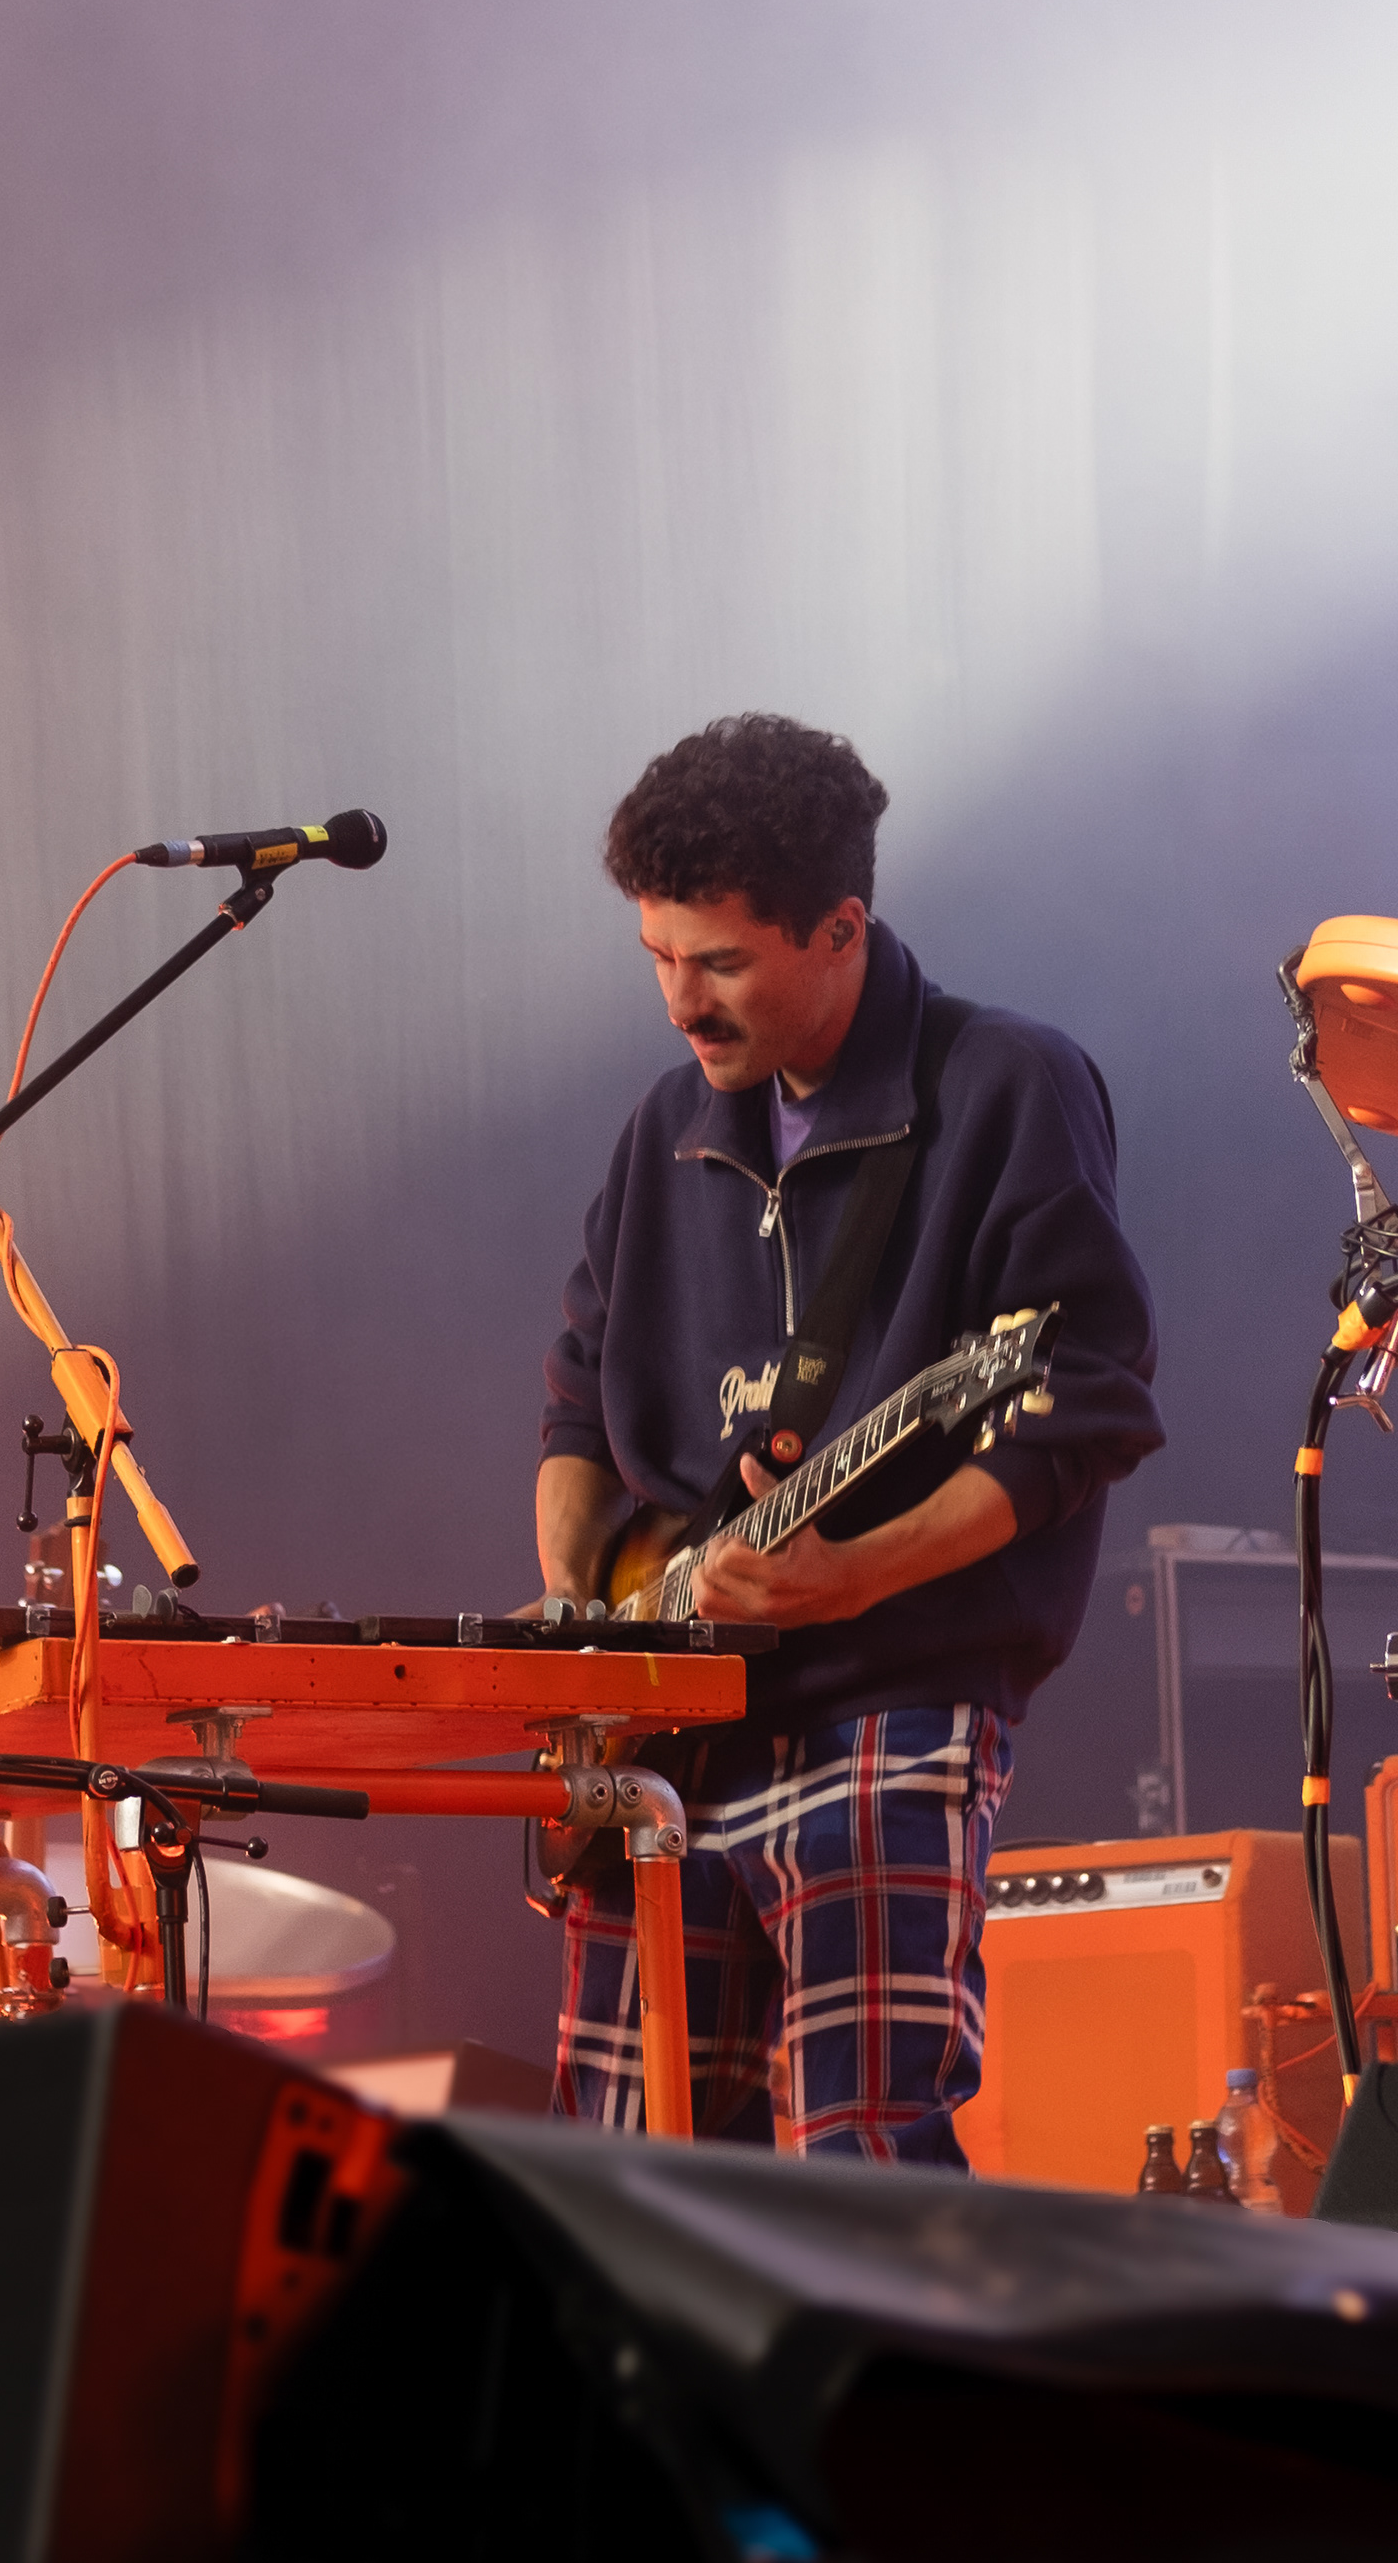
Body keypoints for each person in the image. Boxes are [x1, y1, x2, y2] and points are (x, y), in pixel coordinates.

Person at [539, 713, 1162, 2161]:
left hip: (891, 1698)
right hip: (666, 1724)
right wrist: (578, 1615)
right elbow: (577, 1402)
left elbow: (1081, 1404)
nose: (680, 1004)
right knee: (622, 2178)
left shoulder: (1004, 1086)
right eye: (658, 958)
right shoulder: (664, 1132)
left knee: (862, 2159)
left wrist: (854, 1574)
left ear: (841, 929)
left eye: (721, 963)